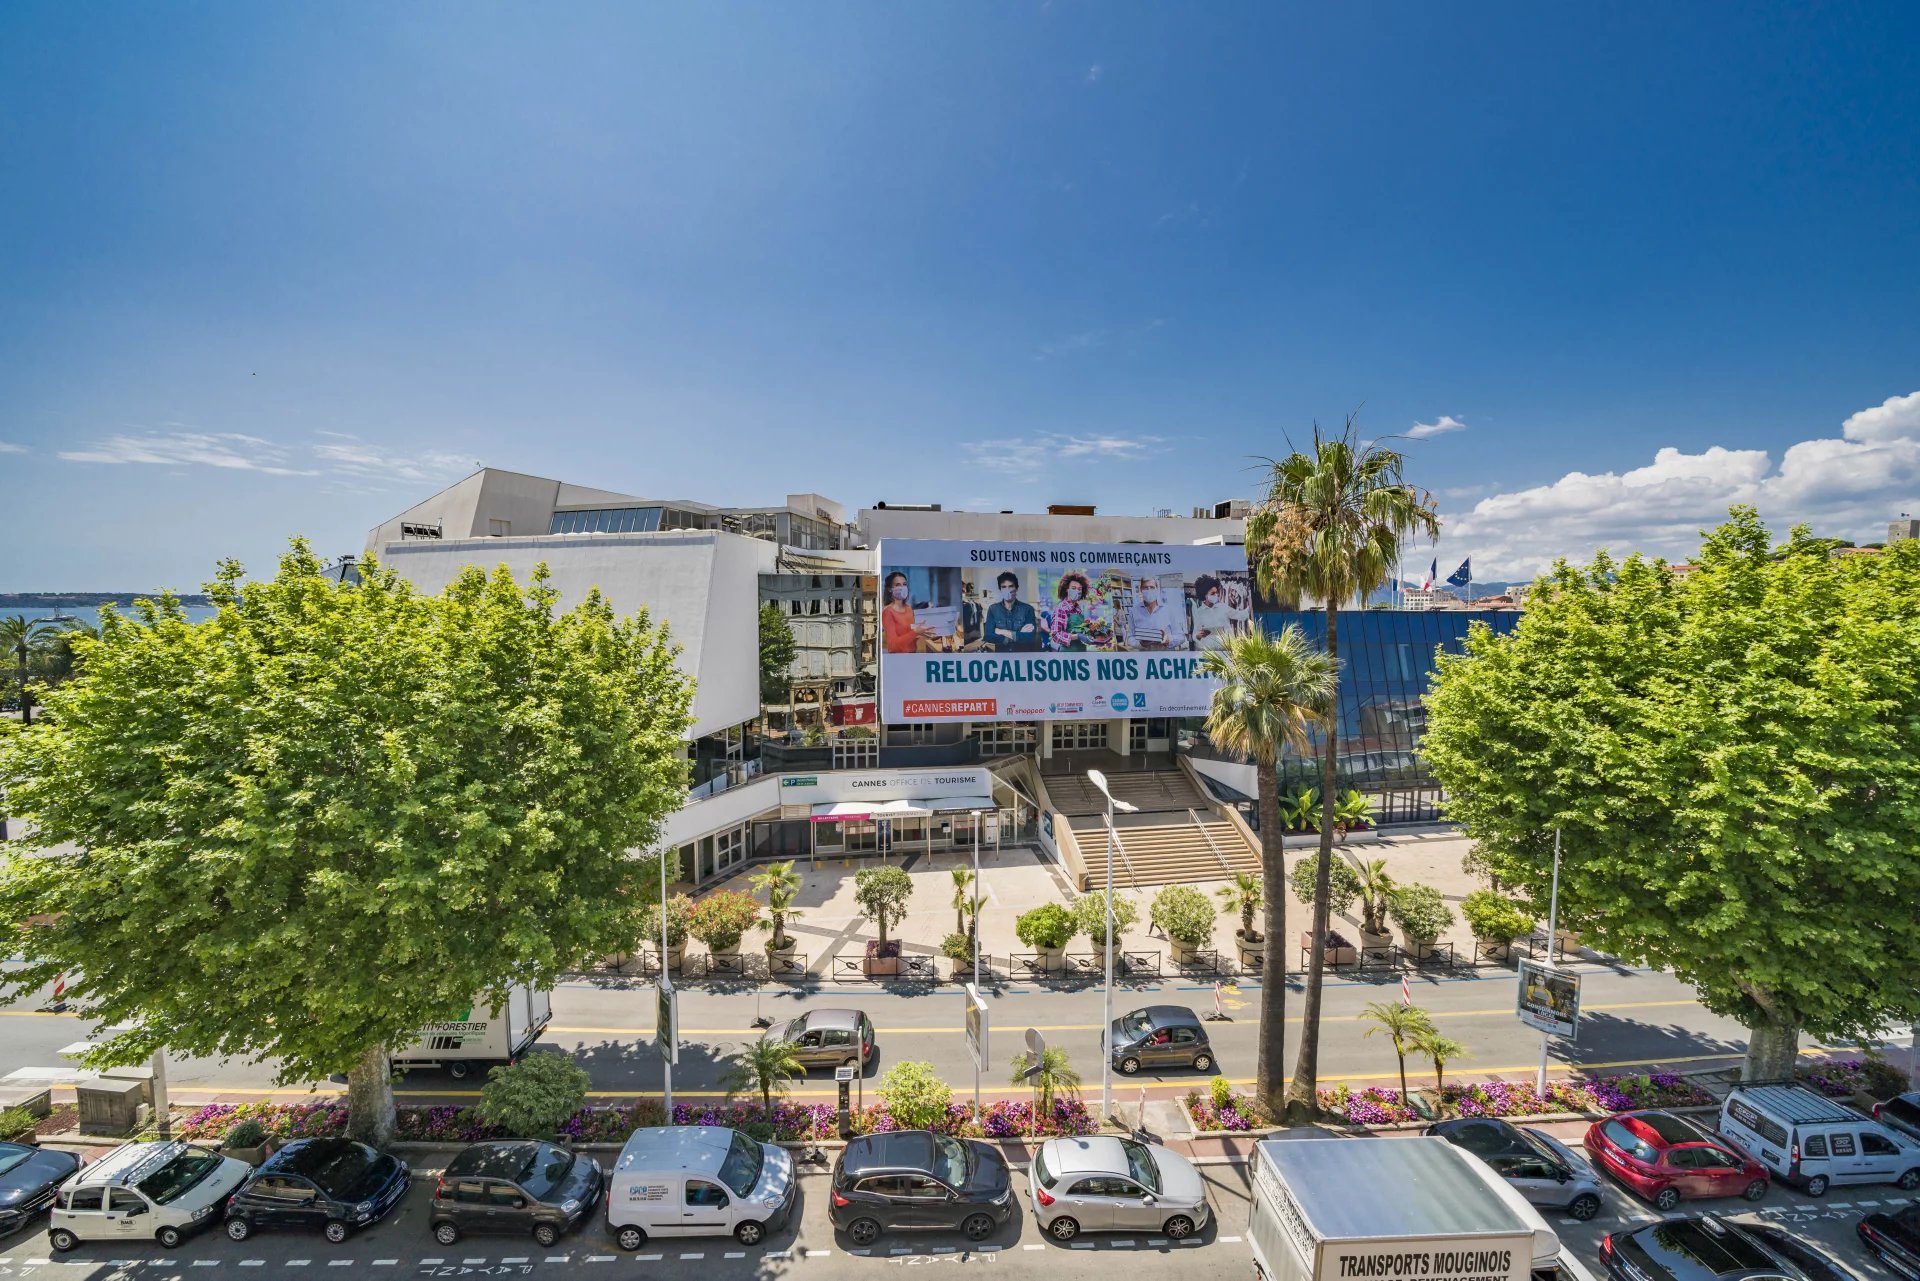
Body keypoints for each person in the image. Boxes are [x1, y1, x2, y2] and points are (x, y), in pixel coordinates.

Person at [1048, 571, 1111, 651]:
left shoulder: (1078, 608)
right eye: (1073, 588)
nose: (1077, 591)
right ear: (1066, 589)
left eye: (1079, 589)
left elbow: (1080, 628)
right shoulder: (1061, 608)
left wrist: (1094, 632)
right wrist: (1078, 636)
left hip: (1081, 650)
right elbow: (1056, 635)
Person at [882, 571, 939, 654]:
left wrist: (923, 632)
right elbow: (893, 646)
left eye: (904, 584)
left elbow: (909, 635)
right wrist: (915, 632)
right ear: (889, 589)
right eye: (898, 585)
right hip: (898, 658)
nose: (902, 587)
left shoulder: (908, 608)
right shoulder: (888, 612)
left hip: (913, 653)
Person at [982, 571, 1041, 651]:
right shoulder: (993, 609)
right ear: (1000, 589)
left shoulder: (1028, 609)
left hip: (1021, 654)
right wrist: (1017, 635)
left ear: (1016, 588)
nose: (1007, 590)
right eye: (1004, 587)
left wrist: (1001, 631)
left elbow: (1029, 638)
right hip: (1002, 655)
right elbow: (988, 636)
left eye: (1010, 586)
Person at [1127, 575, 1188, 649]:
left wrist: (1169, 639)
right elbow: (1130, 638)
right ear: (1141, 590)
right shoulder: (1133, 611)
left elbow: (1181, 636)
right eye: (1145, 587)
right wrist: (1140, 643)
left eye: (1152, 587)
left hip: (1166, 654)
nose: (1149, 590)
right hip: (1145, 654)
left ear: (1157, 589)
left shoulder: (1169, 610)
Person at [1190, 573, 1236, 650]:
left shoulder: (1222, 608)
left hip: (1225, 650)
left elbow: (1229, 630)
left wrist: (1232, 646)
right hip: (1207, 652)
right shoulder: (1198, 612)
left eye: (1217, 593)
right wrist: (1197, 636)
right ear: (1204, 595)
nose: (1216, 595)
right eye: (1213, 593)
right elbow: (1195, 635)